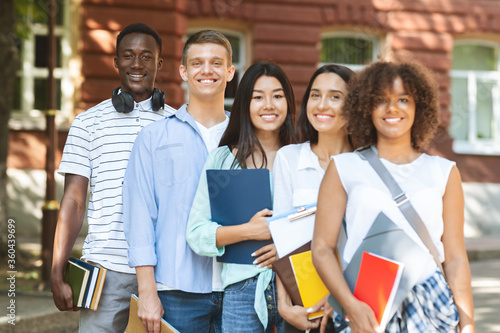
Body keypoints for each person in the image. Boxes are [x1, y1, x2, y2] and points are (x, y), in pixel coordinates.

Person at [312, 61, 475, 333]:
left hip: (431, 308)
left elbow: (456, 258)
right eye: (381, 100)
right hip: (366, 309)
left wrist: (467, 322)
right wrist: (350, 304)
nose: (392, 108)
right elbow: (321, 249)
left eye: (403, 99)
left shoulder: (444, 172)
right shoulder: (343, 167)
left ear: (418, 107)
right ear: (366, 107)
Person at [51, 22, 175, 332]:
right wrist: (57, 269)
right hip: (105, 271)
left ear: (159, 63)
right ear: (116, 61)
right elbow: (74, 201)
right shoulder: (87, 123)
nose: (136, 64)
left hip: (165, 273)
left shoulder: (178, 123)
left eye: (146, 56)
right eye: (128, 55)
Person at [122, 30, 235, 333]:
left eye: (216, 63)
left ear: (230, 71)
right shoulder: (153, 138)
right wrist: (147, 292)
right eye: (197, 63)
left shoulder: (245, 138)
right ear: (184, 71)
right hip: (175, 290)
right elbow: (140, 216)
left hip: (239, 287)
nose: (207, 70)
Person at [186, 61, 296, 333]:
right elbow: (197, 233)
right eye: (258, 97)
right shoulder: (224, 160)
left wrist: (285, 245)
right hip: (242, 289)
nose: (268, 105)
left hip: (296, 283)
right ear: (245, 103)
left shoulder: (302, 156)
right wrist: (248, 231)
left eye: (278, 96)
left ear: (289, 102)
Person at [272, 64, 354, 333]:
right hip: (304, 305)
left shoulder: (366, 163)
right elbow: (282, 240)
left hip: (355, 301)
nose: (322, 105)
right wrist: (284, 306)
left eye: (335, 96)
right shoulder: (289, 158)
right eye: (315, 95)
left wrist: (341, 298)